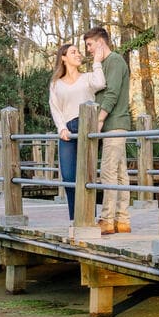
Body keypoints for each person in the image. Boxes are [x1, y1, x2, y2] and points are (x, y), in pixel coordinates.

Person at [48, 42, 106, 219]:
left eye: (79, 52)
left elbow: (101, 83)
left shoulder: (88, 78)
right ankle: (74, 218)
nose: (79, 54)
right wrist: (61, 128)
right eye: (73, 52)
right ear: (63, 58)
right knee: (68, 176)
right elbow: (55, 108)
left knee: (87, 174)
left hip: (86, 127)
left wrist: (96, 61)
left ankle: (89, 218)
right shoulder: (56, 84)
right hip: (67, 130)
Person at [83, 26, 131, 234]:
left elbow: (112, 93)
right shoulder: (104, 64)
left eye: (90, 45)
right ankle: (122, 220)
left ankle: (106, 219)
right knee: (120, 173)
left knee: (109, 172)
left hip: (115, 124)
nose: (88, 50)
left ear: (101, 42)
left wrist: (100, 119)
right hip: (113, 125)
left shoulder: (115, 61)